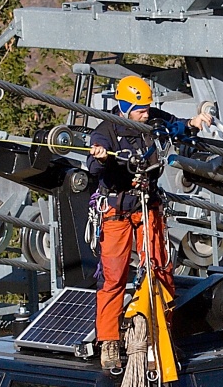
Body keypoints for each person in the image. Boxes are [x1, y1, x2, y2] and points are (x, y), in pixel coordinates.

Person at [87, 75, 212, 370]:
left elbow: (175, 126)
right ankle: (109, 341)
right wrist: (102, 159)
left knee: (159, 269)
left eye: (146, 107)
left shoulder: (153, 122)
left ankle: (162, 335)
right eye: (140, 108)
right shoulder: (105, 131)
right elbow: (93, 166)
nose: (146, 112)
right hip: (117, 209)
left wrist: (193, 123)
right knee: (113, 277)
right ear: (125, 106)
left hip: (147, 205)